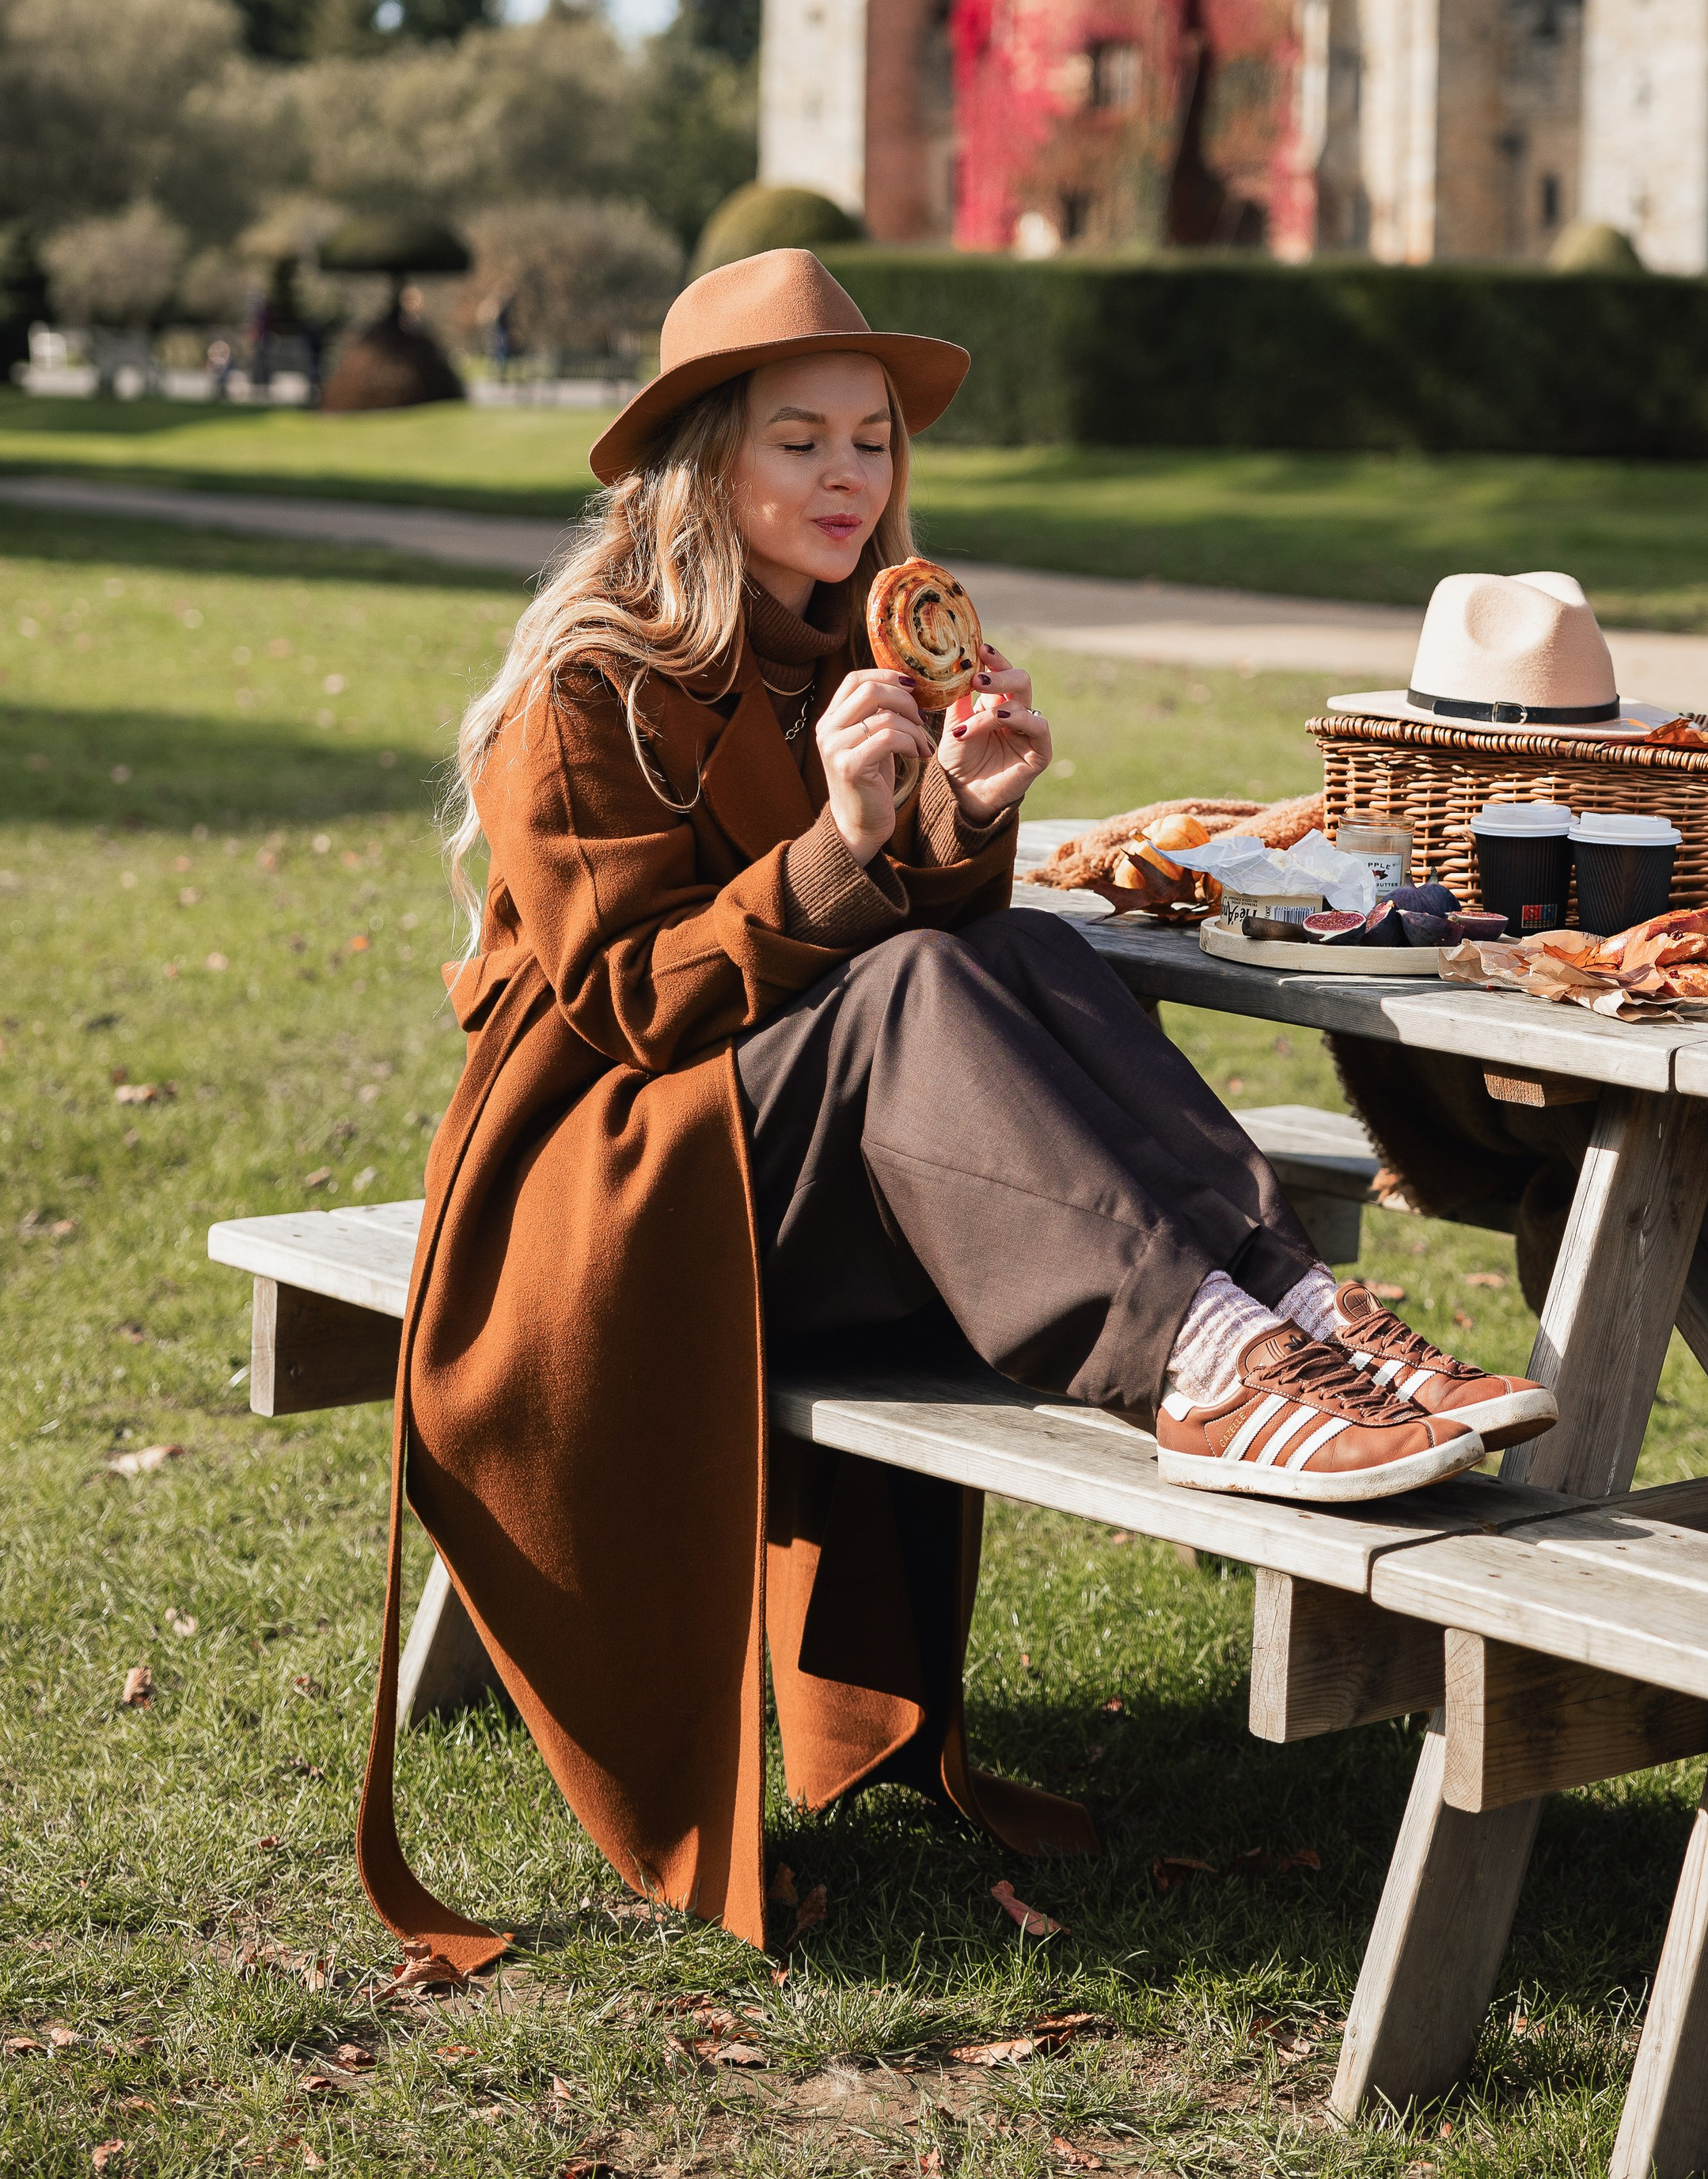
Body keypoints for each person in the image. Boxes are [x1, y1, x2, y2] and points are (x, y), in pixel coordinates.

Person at [356, 250, 1554, 1973]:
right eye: (799, 444)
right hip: (612, 1195)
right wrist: (844, 848)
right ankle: (1204, 1367)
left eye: (868, 444)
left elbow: (918, 964)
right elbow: (634, 1010)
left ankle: (1288, 1314)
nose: (849, 478)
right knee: (931, 984)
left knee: (1040, 960)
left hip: (794, 1163)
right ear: (706, 465)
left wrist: (962, 822)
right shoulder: (584, 698)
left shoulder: (862, 654)